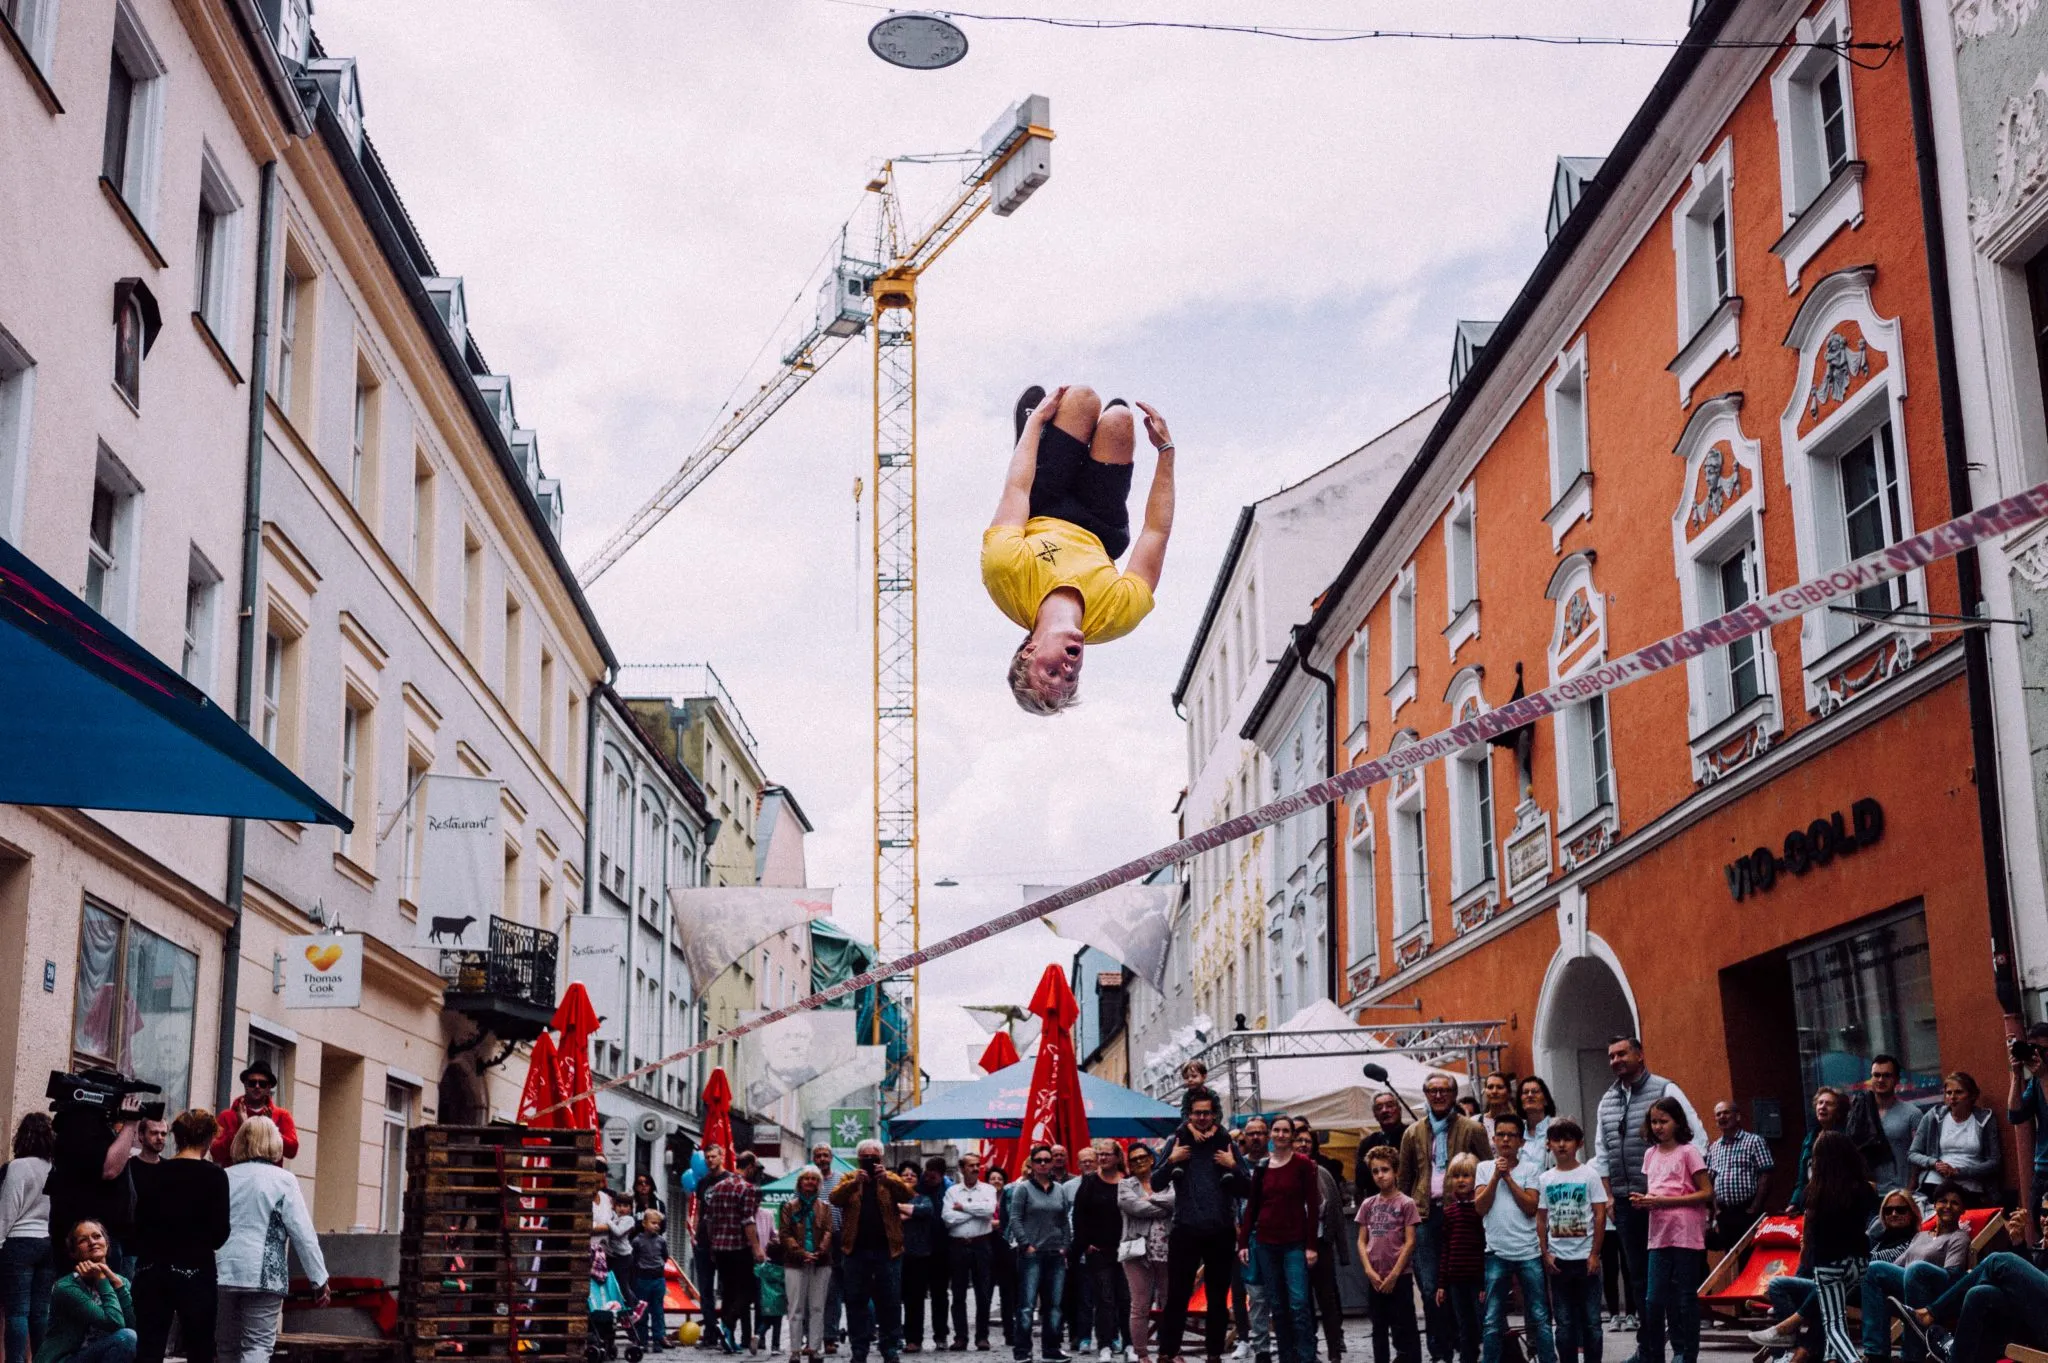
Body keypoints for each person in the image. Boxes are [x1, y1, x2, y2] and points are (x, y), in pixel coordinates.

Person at [983, 385, 1177, 714]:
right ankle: (1088, 442)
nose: (1068, 670)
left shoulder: (1004, 574)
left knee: (1082, 399)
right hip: (1100, 527)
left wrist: (1036, 422)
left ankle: (1036, 439)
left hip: (1042, 505)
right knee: (1119, 420)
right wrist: (1166, 452)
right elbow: (1156, 533)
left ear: (1029, 651)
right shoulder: (1118, 616)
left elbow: (1016, 489)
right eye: (1070, 680)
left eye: (1052, 673)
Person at [1591, 1036, 1703, 1341]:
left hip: (1667, 1205)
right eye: (1611, 1056)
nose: (1616, 1060)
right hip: (1628, 1203)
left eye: (1622, 1053)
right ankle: (1649, 1347)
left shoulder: (1666, 1090)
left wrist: (1677, 1195)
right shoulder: (1606, 1101)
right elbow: (1603, 1153)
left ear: (1640, 1055)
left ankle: (1681, 1345)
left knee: (1675, 1280)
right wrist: (1610, 1197)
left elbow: (1696, 1139)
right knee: (1640, 1279)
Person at [215, 1117, 329, 1363]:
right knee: (257, 1346)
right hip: (265, 1275)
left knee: (225, 1346)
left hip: (221, 1271)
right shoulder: (284, 1180)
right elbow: (303, 1233)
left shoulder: (223, 1176)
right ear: (274, 1142)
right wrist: (318, 1278)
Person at [1397, 1076, 1490, 1363]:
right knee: (1429, 1286)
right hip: (1424, 1214)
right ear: (1425, 1094)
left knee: (1461, 1283)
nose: (1438, 1095)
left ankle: (1467, 1346)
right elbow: (1405, 1178)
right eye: (1432, 1090)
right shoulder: (1412, 1132)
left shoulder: (1472, 1129)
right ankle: (1440, 1349)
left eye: (1444, 1090)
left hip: (1462, 1213)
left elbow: (1486, 1170)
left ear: (1453, 1094)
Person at [1151, 1087, 1244, 1363]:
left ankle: (1214, 1354)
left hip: (1220, 1230)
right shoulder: (1176, 1141)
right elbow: (1156, 1184)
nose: (1202, 1117)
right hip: (1186, 1229)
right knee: (1177, 1295)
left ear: (1215, 1115)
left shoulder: (1227, 1143)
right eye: (1197, 1113)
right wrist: (1172, 1161)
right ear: (1188, 1115)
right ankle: (1168, 1353)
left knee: (1217, 1298)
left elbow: (1248, 1188)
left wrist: (1233, 1166)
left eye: (1207, 1113)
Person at [128, 1109, 228, 1363]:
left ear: (177, 1137)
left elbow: (138, 1224)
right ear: (209, 1139)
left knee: (149, 1347)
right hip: (195, 1270)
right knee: (199, 1347)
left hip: (152, 1268)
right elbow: (219, 1234)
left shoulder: (155, 1172)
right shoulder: (214, 1176)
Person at [1909, 1193, 2048, 1363]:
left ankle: (1933, 1312)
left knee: (1999, 1260)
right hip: (2034, 1322)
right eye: (2044, 1213)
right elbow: (2029, 1292)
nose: (2046, 1220)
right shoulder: (2040, 1248)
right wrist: (2018, 1243)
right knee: (1979, 1294)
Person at [1629, 1098, 1710, 1363]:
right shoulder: (1650, 1154)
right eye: (1654, 1122)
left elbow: (1706, 1192)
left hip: (1685, 1232)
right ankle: (1654, 1355)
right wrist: (1645, 1201)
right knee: (1654, 1301)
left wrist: (1665, 1201)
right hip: (1658, 1234)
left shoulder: (1689, 1152)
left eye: (1664, 1121)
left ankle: (1685, 1354)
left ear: (1677, 1122)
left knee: (1685, 1298)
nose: (1658, 1127)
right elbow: (1657, 1189)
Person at [1859, 1182, 1969, 1363]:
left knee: (1916, 1269)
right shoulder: (1921, 1236)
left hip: (1936, 1294)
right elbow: (1895, 1267)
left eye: (1954, 1203)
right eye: (1943, 1201)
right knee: (1874, 1270)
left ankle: (1912, 1356)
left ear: (1962, 1209)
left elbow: (1952, 1276)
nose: (1948, 1206)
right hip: (1909, 1287)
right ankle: (1876, 1353)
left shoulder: (1959, 1237)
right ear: (1935, 1206)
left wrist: (1918, 1270)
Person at [1239, 1115, 1319, 1363]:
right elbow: (1252, 1207)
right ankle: (1286, 1356)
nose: (1281, 1135)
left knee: (1298, 1304)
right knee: (1278, 1306)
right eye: (1277, 1130)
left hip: (1294, 1243)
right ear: (1271, 1134)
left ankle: (1306, 1356)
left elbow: (1313, 1206)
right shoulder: (1262, 1167)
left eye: (1286, 1131)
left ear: (1292, 1135)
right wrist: (1243, 1243)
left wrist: (1311, 1246)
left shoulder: (1303, 1165)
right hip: (1265, 1243)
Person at [1474, 1114, 1552, 1363]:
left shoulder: (1530, 1169)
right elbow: (1480, 1207)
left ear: (1521, 1142)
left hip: (1528, 1252)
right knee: (1492, 1319)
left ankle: (1548, 1359)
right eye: (1501, 1135)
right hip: (1496, 1252)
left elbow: (1530, 1206)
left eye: (1512, 1135)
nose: (1506, 1140)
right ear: (1493, 1139)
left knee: (1539, 1316)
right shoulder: (1483, 1168)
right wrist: (1496, 1176)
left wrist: (1508, 1177)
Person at [1800, 1131, 1879, 1363]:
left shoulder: (1815, 1191)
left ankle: (1852, 1361)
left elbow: (1810, 1229)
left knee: (1833, 1323)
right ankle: (1831, 1358)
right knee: (1839, 1314)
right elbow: (1876, 1222)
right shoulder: (1864, 1188)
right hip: (1860, 1260)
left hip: (1827, 1262)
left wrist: (1805, 1253)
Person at [832, 1139, 912, 1363]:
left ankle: (889, 1347)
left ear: (881, 1159)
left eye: (873, 1157)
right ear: (858, 1159)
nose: (869, 1161)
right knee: (856, 1301)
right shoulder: (849, 1178)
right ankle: (859, 1349)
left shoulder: (890, 1178)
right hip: (855, 1251)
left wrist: (887, 1179)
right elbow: (834, 1199)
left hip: (888, 1251)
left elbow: (908, 1195)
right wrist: (854, 1183)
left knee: (890, 1301)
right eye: (864, 1157)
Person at [1535, 1119, 1606, 1363]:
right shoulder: (1545, 1179)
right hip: (1559, 1261)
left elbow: (1599, 1214)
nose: (1562, 1144)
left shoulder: (1589, 1175)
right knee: (1564, 1325)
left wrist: (1595, 1253)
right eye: (1556, 1139)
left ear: (1579, 1143)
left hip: (1586, 1259)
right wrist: (1545, 1253)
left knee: (1592, 1323)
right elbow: (1541, 1218)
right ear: (1549, 1144)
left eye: (1567, 1139)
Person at [1007, 1145, 1074, 1363]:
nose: (1044, 1164)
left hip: (1055, 1253)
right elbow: (1015, 1218)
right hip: (1031, 1254)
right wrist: (1026, 1244)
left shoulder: (1060, 1190)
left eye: (1047, 1160)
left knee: (1054, 1306)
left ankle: (1051, 1349)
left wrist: (1065, 1245)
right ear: (1032, 1163)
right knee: (1026, 1306)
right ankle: (1022, 1351)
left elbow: (1064, 1219)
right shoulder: (1023, 1189)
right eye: (1039, 1160)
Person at [1355, 1146, 1420, 1363]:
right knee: (1378, 1327)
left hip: (1399, 1275)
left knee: (1405, 1325)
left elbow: (1410, 1241)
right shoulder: (1368, 1204)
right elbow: (1361, 1240)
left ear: (1396, 1171)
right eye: (1375, 1171)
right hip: (1376, 1276)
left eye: (1385, 1169)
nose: (1380, 1175)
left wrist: (1394, 1274)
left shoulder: (1406, 1203)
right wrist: (1368, 1270)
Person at [34, 1221, 133, 1363]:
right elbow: (114, 1323)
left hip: (100, 1355)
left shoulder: (120, 1281)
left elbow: (136, 1327)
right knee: (127, 1337)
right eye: (83, 1240)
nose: (92, 1242)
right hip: (66, 1359)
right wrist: (102, 1280)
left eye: (97, 1236)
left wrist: (117, 1284)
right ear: (73, 1253)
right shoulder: (66, 1287)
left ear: (107, 1243)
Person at [1, 1114, 57, 1363]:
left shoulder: (18, 1167)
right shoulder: (55, 1168)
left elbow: (7, 1210)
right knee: (40, 1312)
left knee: (17, 1311)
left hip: (19, 1242)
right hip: (48, 1241)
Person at [1290, 1124, 1347, 1363]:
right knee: (1301, 1301)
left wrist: (1342, 1252)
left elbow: (1335, 1212)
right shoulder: (1285, 1171)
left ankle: (1335, 1350)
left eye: (1307, 1141)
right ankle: (1308, 1348)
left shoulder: (1322, 1173)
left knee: (1328, 1301)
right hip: (1293, 1246)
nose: (1303, 1144)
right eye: (1298, 1140)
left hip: (1321, 1244)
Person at [1910, 1071, 2002, 1207]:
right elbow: (1912, 1154)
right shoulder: (1934, 1116)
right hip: (1936, 1182)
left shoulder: (1985, 1119)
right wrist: (1934, 1163)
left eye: (1959, 1092)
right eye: (1948, 1093)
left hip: (1969, 1186)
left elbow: (1995, 1162)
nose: (1952, 1097)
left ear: (1972, 1096)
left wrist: (1959, 1172)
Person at [704, 1150, 767, 1350]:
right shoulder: (748, 1189)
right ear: (749, 1166)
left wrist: (713, 1244)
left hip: (720, 1247)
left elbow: (709, 1220)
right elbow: (748, 1220)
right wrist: (757, 1248)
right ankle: (729, 1323)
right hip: (739, 1247)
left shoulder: (718, 1187)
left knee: (728, 1292)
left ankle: (727, 1337)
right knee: (747, 1291)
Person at [1117, 1147, 1172, 1363]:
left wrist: (1148, 1202)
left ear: (1151, 1159)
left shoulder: (1168, 1181)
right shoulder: (1125, 1185)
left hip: (1167, 1248)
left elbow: (1175, 1201)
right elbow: (1133, 1207)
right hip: (1136, 1250)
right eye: (1134, 1159)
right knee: (1139, 1305)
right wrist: (1162, 1205)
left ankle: (1168, 1350)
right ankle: (1142, 1353)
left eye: (1143, 1157)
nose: (1139, 1161)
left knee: (1169, 1302)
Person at [1072, 1145, 1127, 1363]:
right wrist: (1085, 1244)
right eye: (1100, 1154)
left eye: (1107, 1154)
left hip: (1125, 1250)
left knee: (1126, 1299)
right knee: (1104, 1299)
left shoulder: (1127, 1181)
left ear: (1117, 1157)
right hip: (1099, 1251)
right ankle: (1104, 1343)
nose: (1102, 1158)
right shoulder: (1089, 1183)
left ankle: (1128, 1342)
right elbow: (1079, 1216)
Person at [943, 1153, 999, 1352]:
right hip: (957, 1244)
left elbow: (989, 1211)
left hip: (981, 1243)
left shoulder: (988, 1189)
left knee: (983, 1292)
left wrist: (964, 1208)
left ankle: (982, 1336)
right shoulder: (952, 1191)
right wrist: (975, 1211)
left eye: (978, 1165)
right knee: (958, 1293)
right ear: (961, 1168)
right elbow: (948, 1218)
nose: (976, 1168)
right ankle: (960, 1337)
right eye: (971, 1165)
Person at [1433, 1154, 1484, 1363]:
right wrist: (1442, 1284)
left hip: (1476, 1279)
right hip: (1455, 1280)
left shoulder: (1480, 1211)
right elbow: (1446, 1249)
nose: (1461, 1180)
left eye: (1466, 1175)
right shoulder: (1450, 1212)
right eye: (1456, 1176)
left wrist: (1484, 1283)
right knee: (1464, 1325)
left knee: (1483, 1322)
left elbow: (1484, 1248)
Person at [1848, 1055, 1924, 1196]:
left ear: (1896, 1079)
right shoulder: (1859, 1113)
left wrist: (1910, 1190)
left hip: (1900, 1193)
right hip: (1868, 1194)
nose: (1881, 1080)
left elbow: (1919, 1157)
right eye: (1876, 1075)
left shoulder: (1912, 1114)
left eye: (1886, 1075)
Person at [781, 1168, 834, 1363]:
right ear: (800, 1183)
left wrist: (818, 1252)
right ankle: (795, 1350)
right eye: (806, 1179)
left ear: (818, 1183)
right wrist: (802, 1253)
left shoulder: (825, 1207)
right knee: (795, 1308)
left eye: (814, 1179)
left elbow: (829, 1231)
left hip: (821, 1262)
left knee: (817, 1307)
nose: (810, 1182)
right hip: (795, 1262)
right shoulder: (789, 1206)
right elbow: (785, 1234)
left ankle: (814, 1349)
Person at [1703, 1101, 1773, 1249]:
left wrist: (1755, 1206)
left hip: (1747, 1210)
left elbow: (1766, 1175)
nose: (1722, 1117)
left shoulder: (1754, 1141)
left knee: (1750, 1254)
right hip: (1725, 1213)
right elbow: (1710, 1181)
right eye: (1718, 1114)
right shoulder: (1714, 1148)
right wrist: (1716, 1210)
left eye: (1726, 1112)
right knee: (1731, 1258)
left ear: (1738, 1116)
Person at [902, 1160, 950, 1354]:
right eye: (929, 1172)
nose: (931, 1176)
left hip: (940, 1249)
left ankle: (941, 1336)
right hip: (915, 1250)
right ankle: (913, 1338)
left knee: (940, 1295)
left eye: (936, 1173)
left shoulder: (948, 1189)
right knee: (914, 1296)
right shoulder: (917, 1188)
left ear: (942, 1174)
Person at [207, 1065, 298, 1166]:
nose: (257, 1086)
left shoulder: (282, 1115)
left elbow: (292, 1151)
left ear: (269, 1088)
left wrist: (270, 1128)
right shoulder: (227, 1116)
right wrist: (240, 1129)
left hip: (267, 1178)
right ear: (245, 1085)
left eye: (262, 1084)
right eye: (252, 1083)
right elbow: (215, 1153)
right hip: (235, 1178)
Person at [2006, 1022, 2048, 1242]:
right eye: (2033, 1049)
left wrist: (2043, 1078)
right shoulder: (2036, 1083)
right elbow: (2015, 1115)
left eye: (2043, 1049)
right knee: (2043, 1233)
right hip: (2042, 1172)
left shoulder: (2042, 1080)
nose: (2037, 1055)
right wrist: (2016, 1074)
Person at [1788, 1088, 1848, 1212]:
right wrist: (1794, 1202)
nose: (1823, 1107)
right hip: (1812, 1206)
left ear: (1838, 1112)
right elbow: (1802, 1180)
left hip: (1838, 1206)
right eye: (1820, 1103)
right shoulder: (1809, 1139)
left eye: (1829, 1103)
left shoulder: (1845, 1138)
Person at [693, 1147, 731, 1345]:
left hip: (725, 1241)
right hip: (704, 1241)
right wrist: (694, 1230)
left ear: (721, 1157)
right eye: (706, 1157)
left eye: (713, 1156)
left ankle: (726, 1331)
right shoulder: (703, 1182)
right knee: (706, 1289)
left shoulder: (730, 1180)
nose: (709, 1160)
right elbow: (700, 1208)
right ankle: (710, 1331)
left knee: (727, 1289)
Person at [629, 1210, 673, 1353]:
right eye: (653, 1223)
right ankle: (642, 1339)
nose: (656, 1226)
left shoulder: (661, 1241)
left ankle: (658, 1338)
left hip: (658, 1279)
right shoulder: (637, 1241)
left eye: (658, 1224)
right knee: (642, 1311)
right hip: (642, 1279)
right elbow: (633, 1260)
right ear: (644, 1224)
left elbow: (665, 1257)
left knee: (658, 1311)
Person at [1356, 1095, 1410, 1205]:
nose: (1385, 1110)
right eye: (1379, 1108)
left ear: (1399, 1110)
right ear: (1375, 1115)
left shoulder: (1412, 1135)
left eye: (1390, 1105)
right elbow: (1361, 1181)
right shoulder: (1367, 1143)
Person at [1519, 1080, 1557, 1162]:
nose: (1530, 1095)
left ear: (1546, 1100)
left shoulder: (1558, 1128)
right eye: (1525, 1092)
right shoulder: (1517, 1131)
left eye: (1535, 1092)